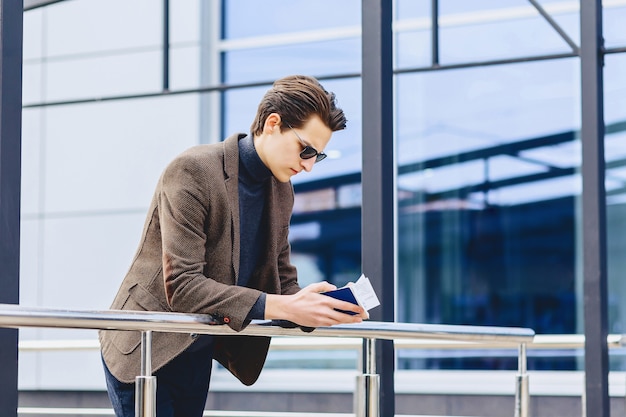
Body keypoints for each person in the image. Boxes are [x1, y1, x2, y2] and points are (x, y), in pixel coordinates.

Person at [99, 74, 366, 417]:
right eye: (306, 149)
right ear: (273, 124)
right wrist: (287, 307)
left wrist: (316, 306)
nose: (309, 165)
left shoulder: (282, 190)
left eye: (319, 156)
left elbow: (281, 278)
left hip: (198, 346)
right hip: (146, 346)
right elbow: (183, 286)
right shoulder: (192, 170)